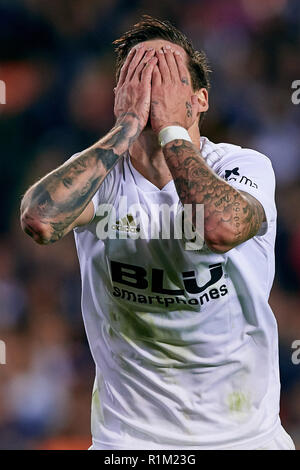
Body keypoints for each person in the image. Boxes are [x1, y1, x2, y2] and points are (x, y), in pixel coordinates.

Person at [20, 16, 295, 450]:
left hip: (244, 438)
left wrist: (169, 129)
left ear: (200, 99)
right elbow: (40, 219)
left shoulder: (242, 166)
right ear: (119, 96)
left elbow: (220, 228)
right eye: (138, 76)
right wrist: (125, 127)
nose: (151, 89)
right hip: (127, 443)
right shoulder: (101, 174)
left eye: (166, 77)